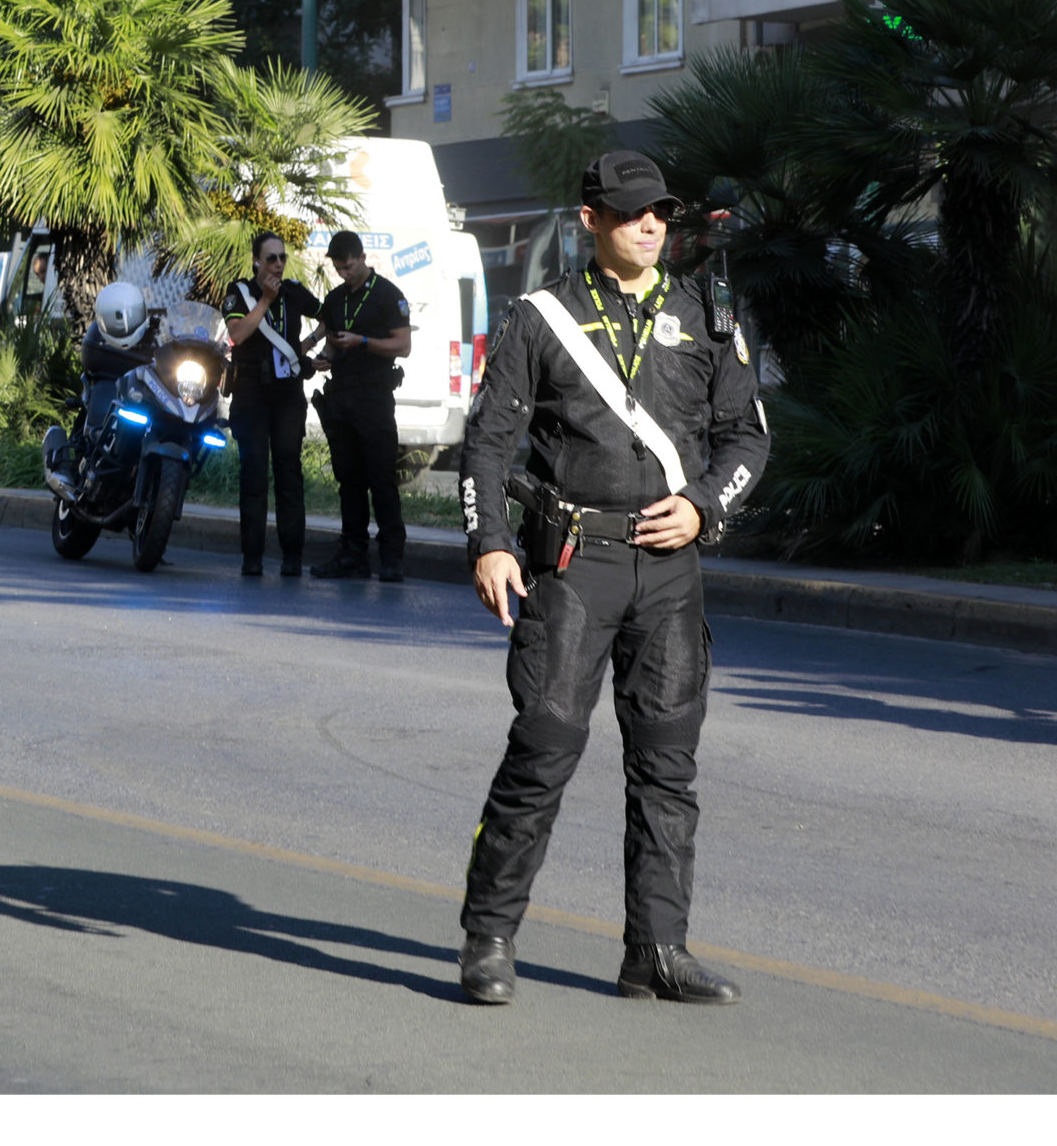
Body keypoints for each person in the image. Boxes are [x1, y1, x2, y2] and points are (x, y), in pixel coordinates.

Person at [455, 149, 769, 1007]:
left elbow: (749, 437)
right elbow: (487, 444)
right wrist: (489, 542)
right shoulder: (542, 317)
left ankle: (656, 951)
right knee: (545, 749)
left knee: (668, 764)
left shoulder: (707, 315)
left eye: (661, 212)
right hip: (572, 565)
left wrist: (706, 505)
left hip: (670, 571)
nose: (651, 225)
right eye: (632, 212)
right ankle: (488, 936)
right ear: (590, 220)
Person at [309, 231, 414, 581]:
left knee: (381, 478)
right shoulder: (336, 298)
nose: (345, 274)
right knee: (348, 481)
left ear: (362, 257)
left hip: (374, 397)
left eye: (349, 266)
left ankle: (391, 557)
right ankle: (352, 554)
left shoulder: (387, 295)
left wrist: (363, 341)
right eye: (339, 268)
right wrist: (325, 355)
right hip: (341, 397)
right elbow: (333, 339)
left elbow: (403, 345)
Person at [223, 232, 324, 578]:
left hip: (287, 395)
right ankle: (252, 557)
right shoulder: (240, 292)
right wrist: (264, 301)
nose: (278, 264)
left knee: (289, 473)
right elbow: (236, 334)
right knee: (253, 474)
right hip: (251, 392)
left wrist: (309, 343)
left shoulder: (294, 292)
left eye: (282, 258)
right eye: (271, 259)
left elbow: (327, 316)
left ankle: (292, 556)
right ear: (256, 261)